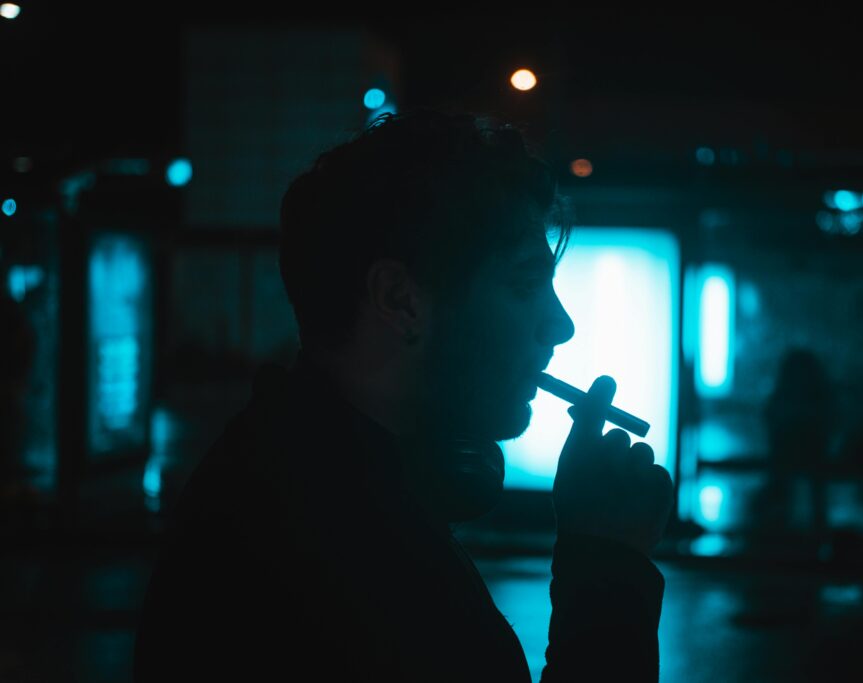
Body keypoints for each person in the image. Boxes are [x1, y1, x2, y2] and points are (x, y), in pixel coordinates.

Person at [133, 109, 674, 682]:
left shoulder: (300, 479)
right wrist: (606, 568)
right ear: (400, 300)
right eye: (524, 284)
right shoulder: (348, 551)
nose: (560, 325)